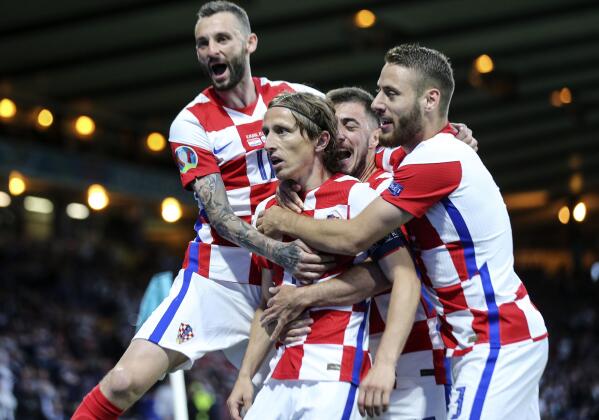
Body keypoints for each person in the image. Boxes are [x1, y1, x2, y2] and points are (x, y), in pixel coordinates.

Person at [259, 44, 548, 419]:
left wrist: (283, 220)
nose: (377, 103)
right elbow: (364, 158)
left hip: (493, 338)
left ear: (430, 99)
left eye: (391, 93)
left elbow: (354, 236)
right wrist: (294, 179)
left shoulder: (437, 158)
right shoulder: (411, 157)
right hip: (479, 341)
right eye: (379, 90)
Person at [72, 2, 333, 418]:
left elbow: (360, 138)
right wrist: (279, 248)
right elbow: (220, 217)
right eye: (202, 43)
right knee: (123, 382)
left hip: (283, 281)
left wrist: (443, 133)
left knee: (294, 405)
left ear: (250, 43)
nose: (211, 49)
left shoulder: (299, 99)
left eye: (222, 39)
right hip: (220, 278)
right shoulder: (191, 122)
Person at [257, 86, 451, 419]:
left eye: (350, 125)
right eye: (333, 127)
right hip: (356, 359)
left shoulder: (388, 193)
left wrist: (305, 296)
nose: (338, 136)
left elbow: (390, 273)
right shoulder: (314, 198)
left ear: (376, 137)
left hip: (410, 356)